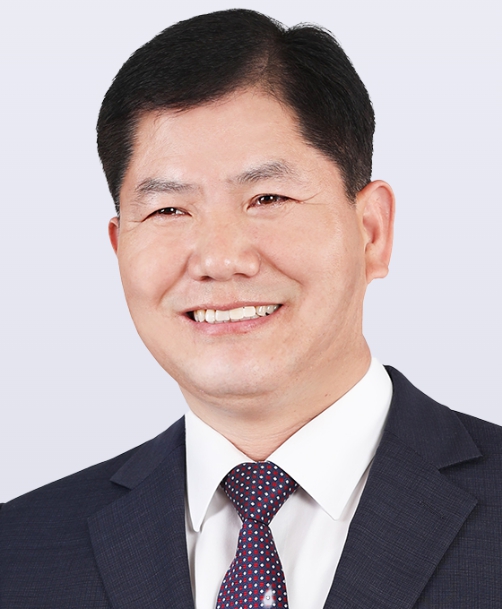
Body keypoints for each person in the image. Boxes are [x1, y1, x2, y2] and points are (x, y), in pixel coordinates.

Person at [1, 8, 501, 608]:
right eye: (168, 210)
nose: (219, 259)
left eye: (267, 197)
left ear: (372, 231)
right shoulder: (20, 552)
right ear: (118, 248)